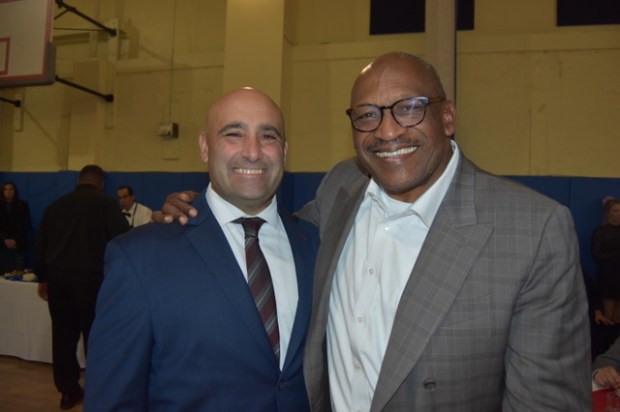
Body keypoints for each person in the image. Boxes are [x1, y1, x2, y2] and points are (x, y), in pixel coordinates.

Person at [156, 52, 591, 411]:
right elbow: (274, 233)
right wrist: (202, 214)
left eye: (409, 107)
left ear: (447, 117)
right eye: (367, 115)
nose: (387, 130)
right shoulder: (340, 187)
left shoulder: (533, 229)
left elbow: (546, 403)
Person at [84, 88, 319, 411]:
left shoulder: (314, 244)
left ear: (284, 150)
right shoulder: (138, 258)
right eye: (234, 134)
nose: (253, 152)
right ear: (205, 147)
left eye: (268, 136)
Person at [34, 165, 130, 410]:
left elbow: (41, 245)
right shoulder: (106, 204)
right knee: (96, 337)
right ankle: (98, 390)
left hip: (59, 281)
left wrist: (43, 278)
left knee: (63, 338)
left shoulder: (55, 207)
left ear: (79, 180)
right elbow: (122, 240)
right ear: (101, 183)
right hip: (93, 281)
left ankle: (68, 391)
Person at [592, 197, 620, 323]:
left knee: (618, 318)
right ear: (608, 213)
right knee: (608, 318)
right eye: (616, 210)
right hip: (608, 278)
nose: (619, 214)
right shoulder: (600, 231)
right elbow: (597, 256)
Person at [0, 181, 32, 274]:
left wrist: (15, 239)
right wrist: (5, 240)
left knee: (19, 273)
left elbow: (27, 224)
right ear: (2, 192)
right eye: (5, 189)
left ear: (15, 191)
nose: (8, 191)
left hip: (19, 244)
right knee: (4, 274)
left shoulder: (22, 205)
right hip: (2, 245)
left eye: (11, 189)